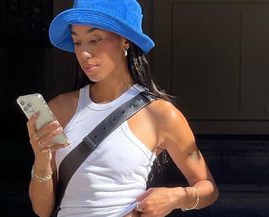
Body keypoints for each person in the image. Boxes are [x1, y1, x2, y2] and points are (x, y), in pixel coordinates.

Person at [26, 0, 219, 216]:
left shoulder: (161, 114)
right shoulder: (60, 108)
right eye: (77, 42)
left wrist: (178, 197)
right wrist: (41, 160)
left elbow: (208, 188)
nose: (84, 54)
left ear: (125, 40)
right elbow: (42, 210)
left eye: (94, 39)